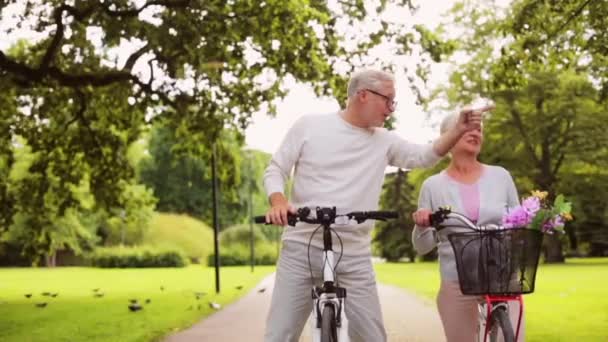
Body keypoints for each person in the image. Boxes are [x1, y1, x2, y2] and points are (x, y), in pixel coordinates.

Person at [262, 69, 489, 342]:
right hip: (301, 248)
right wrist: (278, 201)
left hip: (353, 254)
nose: (391, 109)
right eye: (388, 100)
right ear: (363, 95)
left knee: (373, 337)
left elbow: (423, 156)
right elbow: (276, 169)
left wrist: (458, 130)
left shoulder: (384, 140)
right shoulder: (309, 126)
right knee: (280, 333)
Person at [411, 112, 525, 341]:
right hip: (456, 280)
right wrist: (422, 225)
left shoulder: (501, 176)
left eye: (479, 129)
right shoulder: (433, 186)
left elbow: (519, 223)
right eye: (467, 128)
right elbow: (422, 247)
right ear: (448, 136)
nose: (475, 133)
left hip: (500, 276)